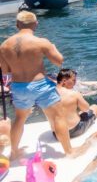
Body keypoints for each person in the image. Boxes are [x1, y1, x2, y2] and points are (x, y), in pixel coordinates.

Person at [0, 11, 74, 160]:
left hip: (19, 86)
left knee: (19, 119)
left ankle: (14, 152)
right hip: (40, 85)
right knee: (58, 116)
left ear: (17, 25)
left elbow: (5, 72)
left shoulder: (4, 46)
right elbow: (59, 61)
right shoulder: (41, 42)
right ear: (35, 24)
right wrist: (53, 46)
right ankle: (69, 152)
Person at [53, 69, 97, 140]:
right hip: (73, 131)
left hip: (57, 134)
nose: (75, 83)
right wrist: (79, 98)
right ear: (64, 81)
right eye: (73, 80)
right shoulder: (74, 94)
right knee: (94, 108)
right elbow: (86, 109)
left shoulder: (49, 94)